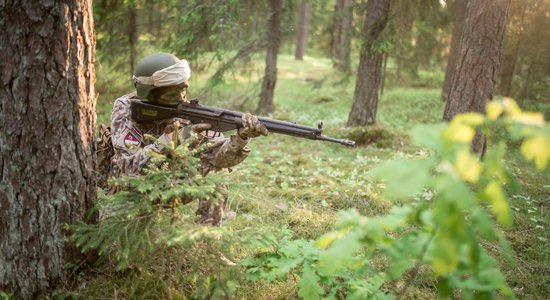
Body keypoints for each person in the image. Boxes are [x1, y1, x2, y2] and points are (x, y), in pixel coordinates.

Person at [100, 52, 268, 226]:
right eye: (172, 94)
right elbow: (130, 168)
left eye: (182, 90)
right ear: (150, 93)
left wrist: (241, 137)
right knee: (121, 238)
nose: (181, 98)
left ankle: (206, 235)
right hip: (132, 190)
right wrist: (177, 137)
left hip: (171, 183)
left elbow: (219, 159)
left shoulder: (186, 111)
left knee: (216, 173)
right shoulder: (126, 109)